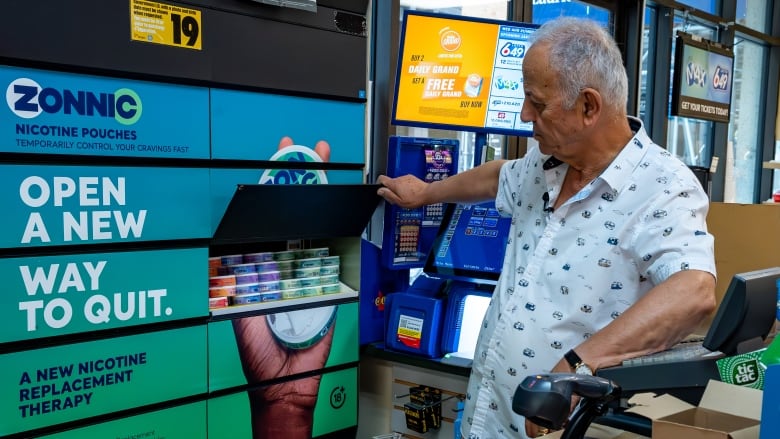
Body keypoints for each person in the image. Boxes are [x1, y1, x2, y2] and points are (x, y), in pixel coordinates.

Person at [377, 17, 716, 439]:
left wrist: (575, 368)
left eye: (537, 103)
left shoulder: (663, 186)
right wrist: (426, 193)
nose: (524, 114)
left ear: (589, 107)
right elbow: (495, 176)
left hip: (563, 427)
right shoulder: (542, 166)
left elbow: (694, 292)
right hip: (489, 418)